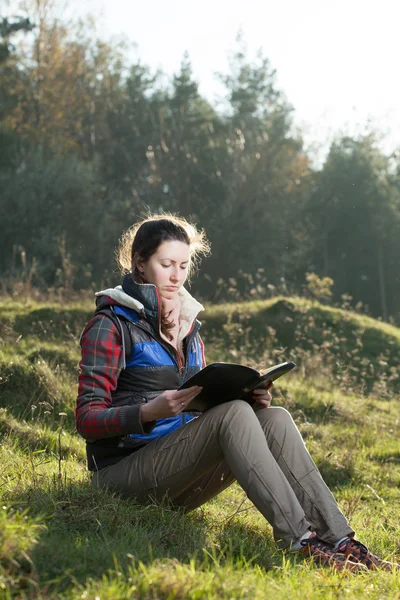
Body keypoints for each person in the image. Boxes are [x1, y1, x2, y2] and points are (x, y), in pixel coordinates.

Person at [76, 214, 398, 573]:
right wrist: (149, 411)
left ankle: (340, 540)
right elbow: (87, 420)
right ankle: (300, 542)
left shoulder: (188, 329)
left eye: (183, 266)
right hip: (122, 475)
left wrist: (247, 395)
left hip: (176, 478)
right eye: (166, 264)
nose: (176, 276)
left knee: (272, 417)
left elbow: (198, 406)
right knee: (232, 416)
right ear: (139, 263)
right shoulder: (110, 324)